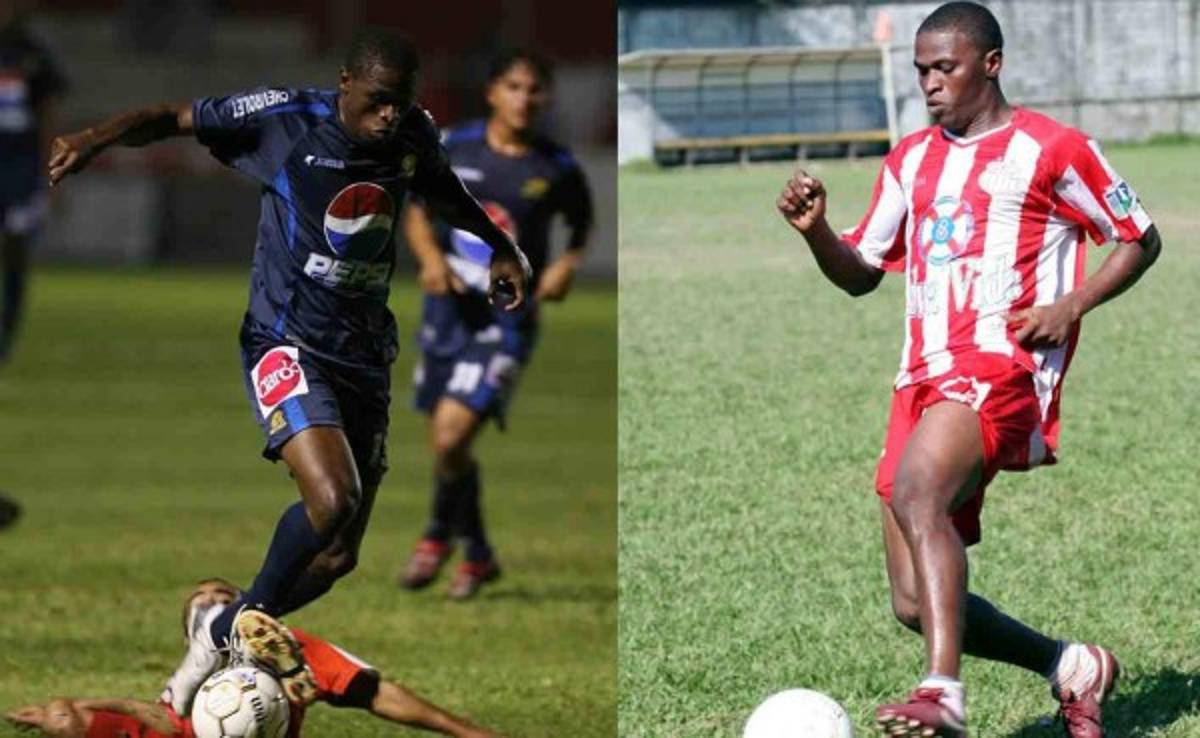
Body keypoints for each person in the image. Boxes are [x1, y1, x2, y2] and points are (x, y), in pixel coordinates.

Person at [47, 28, 531, 713]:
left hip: (364, 352)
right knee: (333, 499)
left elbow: (443, 191)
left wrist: (497, 244)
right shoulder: (284, 119)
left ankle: (218, 630)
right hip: (285, 339)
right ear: (346, 85)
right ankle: (235, 633)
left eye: (402, 104)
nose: (390, 116)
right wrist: (94, 136)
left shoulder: (413, 134)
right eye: (379, 102)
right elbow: (174, 118)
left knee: (336, 558)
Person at [775, 3, 1159, 736]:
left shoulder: (1054, 148)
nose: (929, 83)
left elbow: (1139, 237)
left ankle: (942, 692)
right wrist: (816, 230)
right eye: (921, 70)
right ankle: (1074, 665)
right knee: (914, 605)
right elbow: (861, 273)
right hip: (918, 378)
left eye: (944, 67)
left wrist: (1071, 304)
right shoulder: (910, 159)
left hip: (1001, 366)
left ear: (991, 63)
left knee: (921, 491)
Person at [397, 49, 592, 599]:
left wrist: (563, 268)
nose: (524, 99)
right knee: (446, 445)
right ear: (492, 92)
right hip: (448, 310)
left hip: (507, 316)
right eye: (513, 87)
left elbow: (580, 228)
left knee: (451, 434)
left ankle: (439, 538)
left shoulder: (555, 167)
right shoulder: (455, 148)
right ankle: (474, 551)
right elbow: (416, 212)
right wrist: (431, 261)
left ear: (546, 98)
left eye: (534, 90)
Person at [4, 578, 500, 738]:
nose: (213, 600)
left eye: (224, 595)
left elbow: (372, 691)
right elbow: (155, 717)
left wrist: (466, 731)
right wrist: (68, 712)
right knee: (68, 719)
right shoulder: (186, 687)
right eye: (202, 598)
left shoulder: (286, 646)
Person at [0, 0, 67, 362]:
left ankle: (6, 332)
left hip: (18, 173)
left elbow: (48, 117)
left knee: (15, 250)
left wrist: (53, 173)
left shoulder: (32, 56)